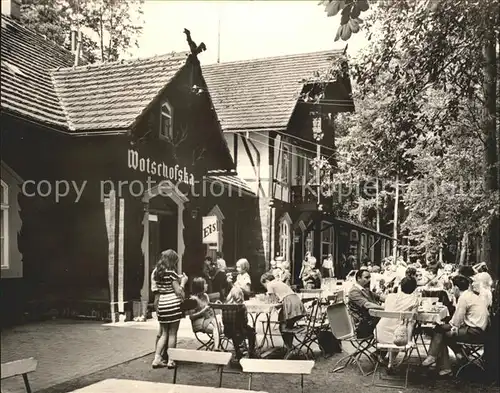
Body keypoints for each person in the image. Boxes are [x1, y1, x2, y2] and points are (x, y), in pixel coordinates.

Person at [422, 275, 489, 376]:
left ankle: (434, 357)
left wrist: (443, 326)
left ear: (456, 288)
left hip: (473, 332)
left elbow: (456, 322)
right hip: (481, 330)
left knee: (439, 331)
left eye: (452, 287)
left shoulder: (464, 298)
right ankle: (451, 358)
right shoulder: (473, 295)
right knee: (442, 332)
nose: (452, 290)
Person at [151, 250, 188, 369]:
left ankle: (157, 358)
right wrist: (183, 282)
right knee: (173, 333)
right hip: (173, 304)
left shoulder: (157, 272)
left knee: (163, 333)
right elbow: (179, 292)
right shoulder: (171, 273)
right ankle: (171, 360)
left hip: (162, 303)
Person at [375, 277, 419, 368]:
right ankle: (391, 363)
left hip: (379, 333)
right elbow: (411, 322)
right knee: (401, 332)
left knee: (395, 327)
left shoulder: (390, 296)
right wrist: (410, 341)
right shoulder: (414, 300)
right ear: (414, 288)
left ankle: (390, 362)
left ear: (400, 286)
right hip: (398, 337)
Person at [260, 272, 306, 356]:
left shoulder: (270, 284)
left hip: (289, 302)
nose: (265, 287)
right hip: (296, 301)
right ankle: (289, 348)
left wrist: (267, 298)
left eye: (264, 285)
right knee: (286, 323)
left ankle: (289, 349)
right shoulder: (279, 282)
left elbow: (273, 301)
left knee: (283, 326)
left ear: (266, 281)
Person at [348, 269, 385, 339]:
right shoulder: (354, 291)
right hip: (363, 323)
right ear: (358, 278)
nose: (369, 280)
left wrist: (393, 299)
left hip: (371, 319)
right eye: (366, 278)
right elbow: (367, 305)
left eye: (370, 277)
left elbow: (380, 297)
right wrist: (385, 308)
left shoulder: (365, 290)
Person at [223, 287, 257, 361]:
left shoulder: (225, 306)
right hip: (240, 331)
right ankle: (251, 352)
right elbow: (245, 321)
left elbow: (223, 320)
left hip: (227, 331)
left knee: (234, 329)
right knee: (252, 331)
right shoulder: (241, 306)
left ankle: (238, 351)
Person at [186, 277, 220, 349]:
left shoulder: (205, 296)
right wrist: (203, 311)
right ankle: (216, 348)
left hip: (208, 319)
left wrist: (215, 304)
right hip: (198, 323)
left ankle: (216, 347)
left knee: (218, 325)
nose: (207, 285)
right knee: (216, 328)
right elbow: (191, 317)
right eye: (205, 284)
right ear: (200, 286)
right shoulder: (192, 299)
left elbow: (208, 306)